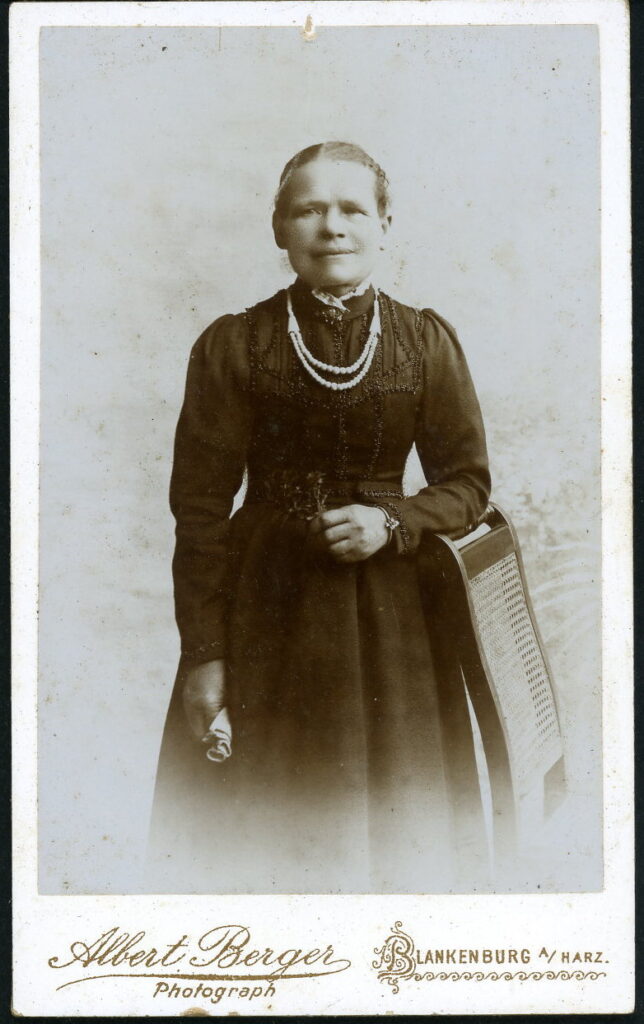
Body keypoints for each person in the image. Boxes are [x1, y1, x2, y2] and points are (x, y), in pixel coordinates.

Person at [147, 141, 491, 894]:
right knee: (259, 830)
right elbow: (199, 512)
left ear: (385, 224)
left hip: (394, 623)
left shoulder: (424, 341)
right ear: (280, 229)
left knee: (400, 831)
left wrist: (393, 519)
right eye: (308, 209)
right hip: (266, 611)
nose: (330, 226)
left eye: (351, 209)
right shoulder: (235, 345)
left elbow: (467, 485)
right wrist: (206, 655)